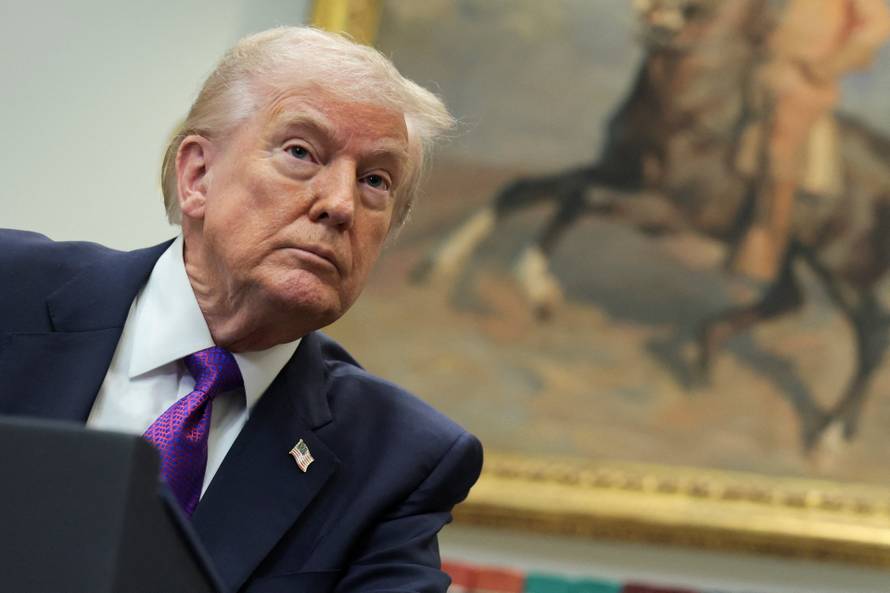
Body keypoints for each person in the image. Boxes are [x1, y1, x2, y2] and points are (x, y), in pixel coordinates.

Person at [0, 27, 482, 593]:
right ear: (197, 175)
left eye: (375, 180)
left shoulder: (396, 458)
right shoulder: (13, 294)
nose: (340, 204)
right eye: (301, 152)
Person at [732, 0, 890, 281]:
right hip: (766, 65)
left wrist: (833, 63)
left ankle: (766, 250)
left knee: (780, 150)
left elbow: (878, 24)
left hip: (805, 77)